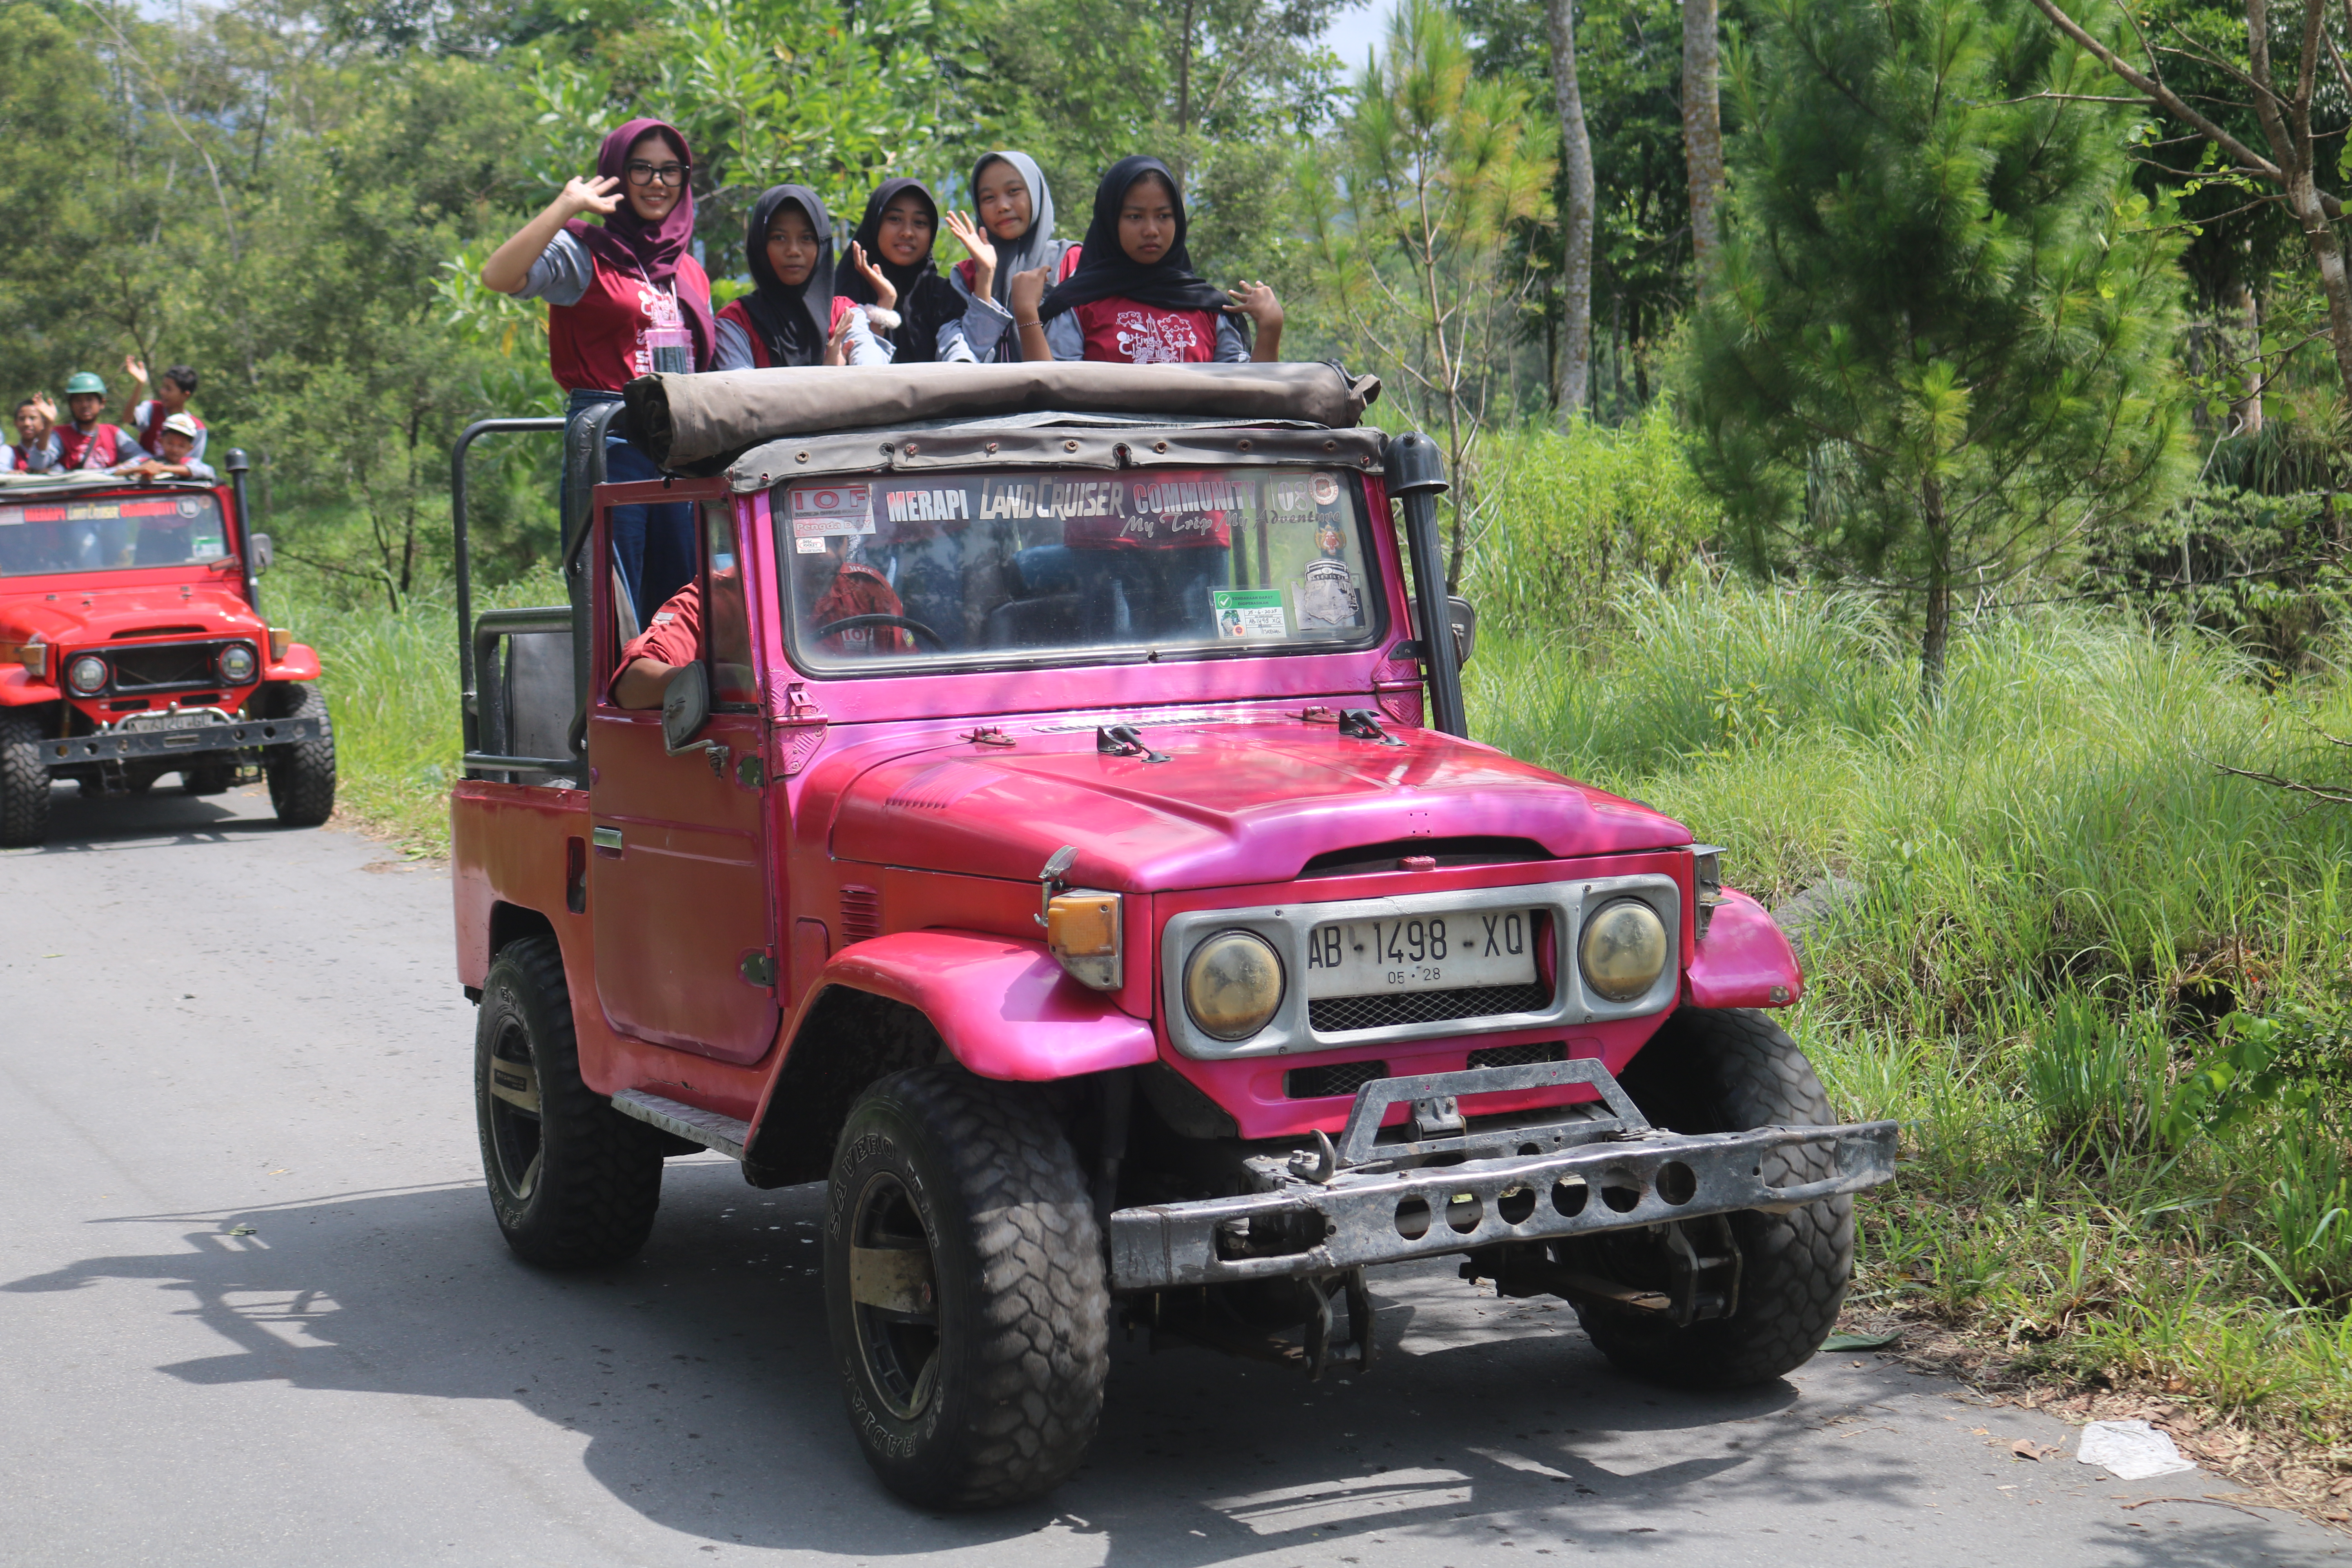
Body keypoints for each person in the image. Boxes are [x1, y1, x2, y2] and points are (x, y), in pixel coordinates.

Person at [480, 117, 714, 625]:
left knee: (685, 593)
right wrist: (566, 207)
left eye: (671, 171)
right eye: (642, 169)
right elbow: (498, 275)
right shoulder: (586, 252)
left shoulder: (688, 269)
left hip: (680, 441)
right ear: (617, 174)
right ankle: (617, 701)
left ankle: (677, 698)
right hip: (612, 436)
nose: (657, 183)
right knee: (615, 594)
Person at [1010, 155, 1284, 365]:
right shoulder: (1077, 305)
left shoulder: (1210, 308)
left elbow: (1245, 401)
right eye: (1135, 217)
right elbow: (1053, 393)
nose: (1151, 230)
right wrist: (1026, 315)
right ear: (1110, 221)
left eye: (1164, 216)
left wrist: (1270, 328)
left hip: (1198, 441)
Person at [713, 185, 897, 370]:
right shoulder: (736, 322)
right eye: (779, 238)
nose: (793, 251)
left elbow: (872, 373)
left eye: (807, 238)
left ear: (822, 245)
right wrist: (828, 378)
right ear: (760, 245)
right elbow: (739, 394)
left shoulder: (844, 314)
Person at [938, 151, 1081, 362]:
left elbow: (1070, 361)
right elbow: (964, 362)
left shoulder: (1069, 262)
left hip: (1054, 394)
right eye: (989, 198)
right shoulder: (965, 275)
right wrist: (985, 278)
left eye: (1014, 191)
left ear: (1036, 193)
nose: (1003, 206)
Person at [836, 179, 972, 365]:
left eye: (920, 223)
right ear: (874, 224)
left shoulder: (942, 296)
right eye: (895, 219)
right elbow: (862, 373)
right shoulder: (843, 297)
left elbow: (960, 355)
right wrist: (885, 303)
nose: (908, 232)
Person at [53, 372, 149, 470]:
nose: (84, 405)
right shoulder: (59, 435)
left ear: (102, 403)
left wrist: (121, 469)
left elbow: (144, 457)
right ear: (71, 405)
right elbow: (39, 463)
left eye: (90, 400)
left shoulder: (112, 432)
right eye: (78, 401)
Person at [121, 359, 205, 463]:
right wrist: (140, 384)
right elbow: (128, 418)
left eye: (169, 389)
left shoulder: (198, 428)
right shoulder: (152, 409)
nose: (162, 392)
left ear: (185, 395)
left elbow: (193, 464)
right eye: (163, 387)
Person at [114, 413, 215, 483]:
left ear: (190, 449)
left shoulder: (191, 463)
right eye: (171, 444)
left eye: (181, 446)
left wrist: (162, 469)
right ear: (161, 442)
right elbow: (114, 472)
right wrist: (141, 469)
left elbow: (207, 472)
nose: (175, 450)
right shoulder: (147, 461)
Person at [3, 397, 61, 473]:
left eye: (33, 418)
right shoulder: (9, 451)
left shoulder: (54, 450)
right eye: (22, 419)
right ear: (16, 423)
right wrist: (11, 473)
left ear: (44, 422)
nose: (27, 423)